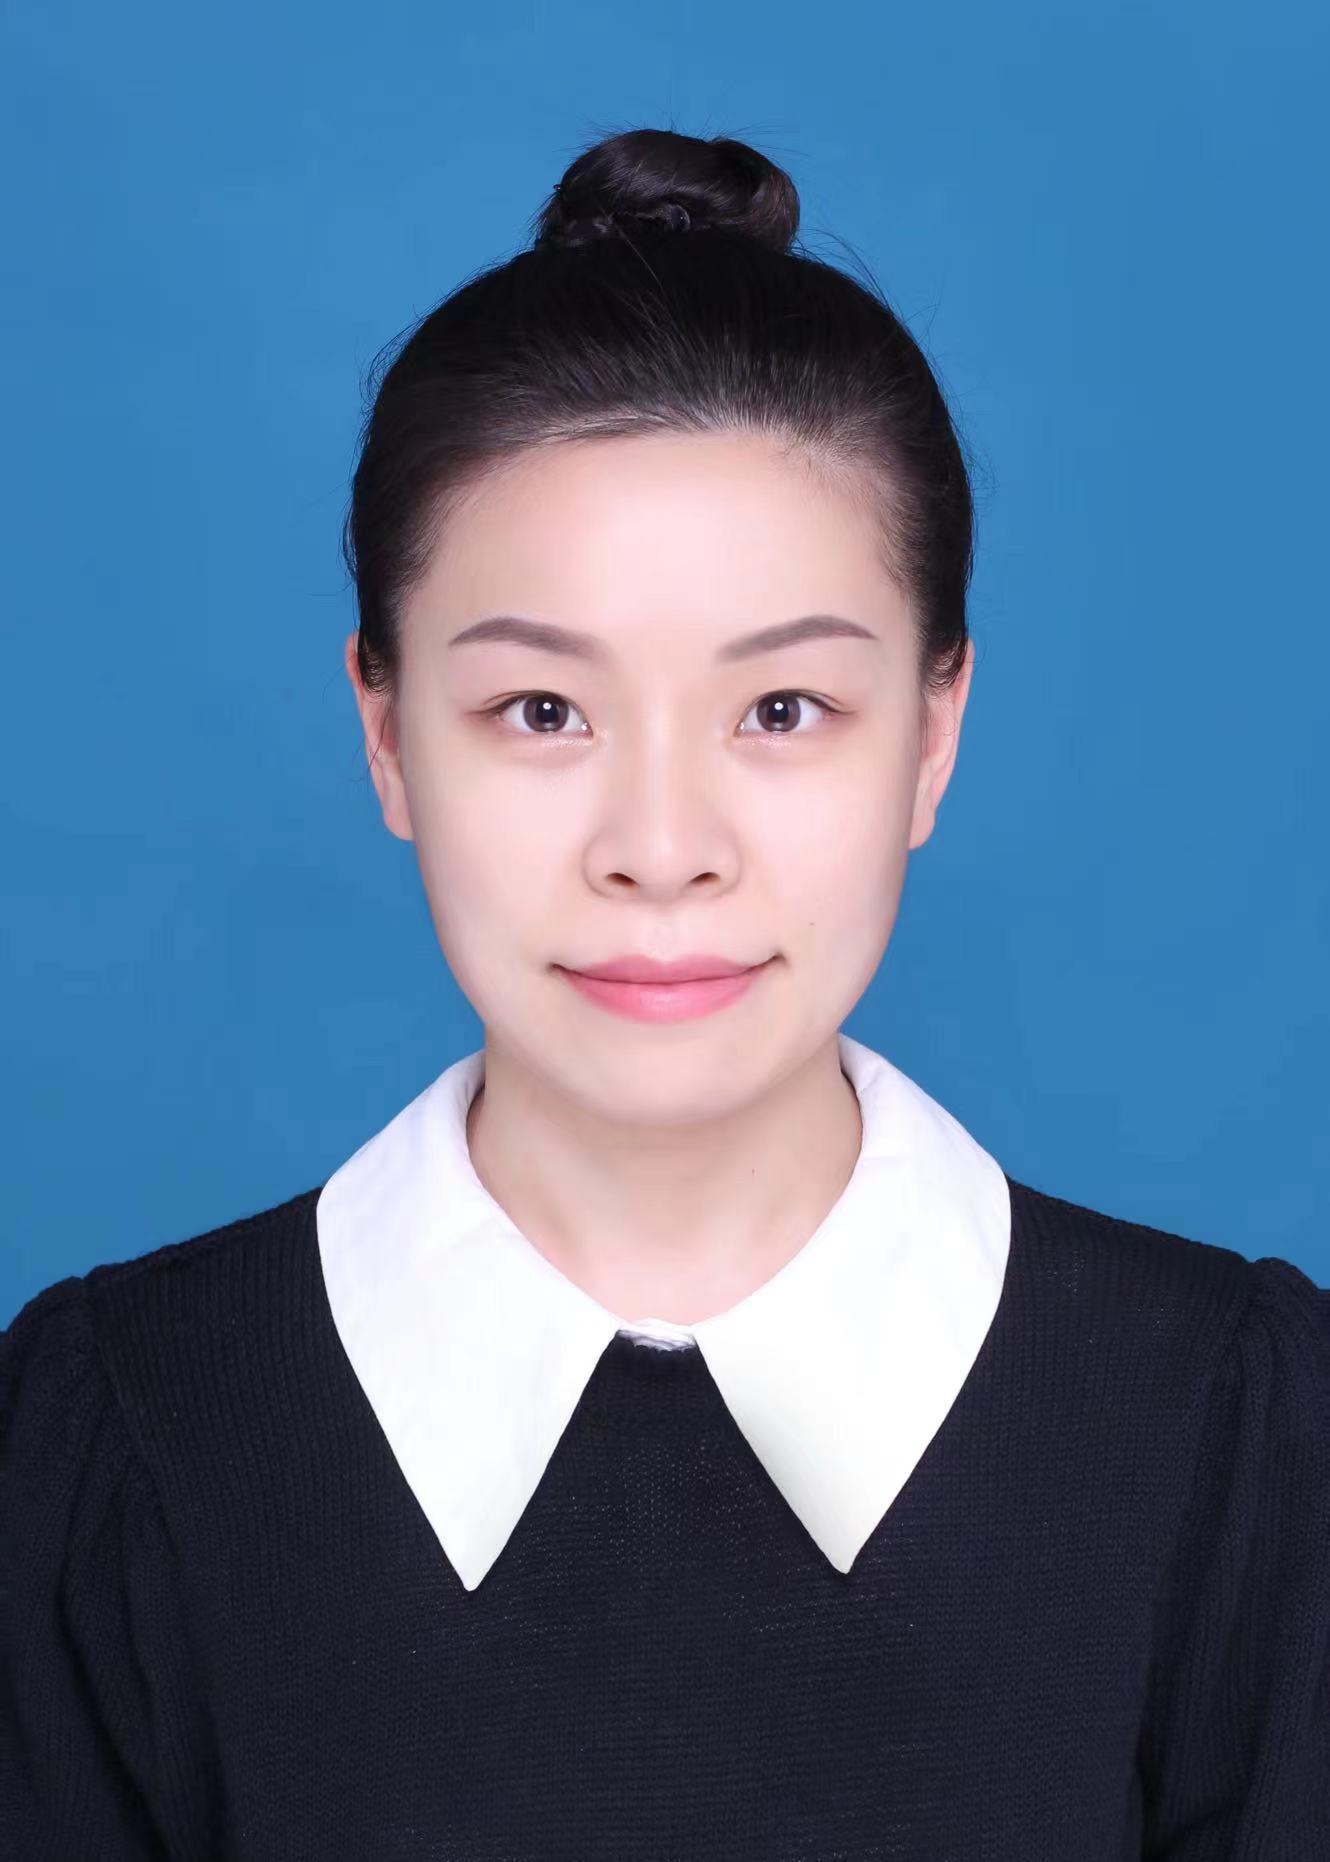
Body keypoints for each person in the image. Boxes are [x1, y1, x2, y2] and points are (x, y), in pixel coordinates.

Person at [3, 127, 1327, 1860]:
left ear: (932, 734)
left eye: (781, 711)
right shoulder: (106, 1448)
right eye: (541, 712)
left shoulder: (1238, 1439)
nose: (659, 848)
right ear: (386, 732)